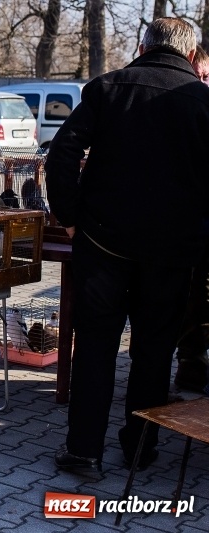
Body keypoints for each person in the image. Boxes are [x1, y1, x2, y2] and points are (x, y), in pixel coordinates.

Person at [45, 17, 209, 472]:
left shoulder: (108, 87)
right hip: (172, 250)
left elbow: (61, 154)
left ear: (142, 48)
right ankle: (140, 449)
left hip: (104, 242)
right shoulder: (202, 100)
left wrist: (70, 218)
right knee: (154, 352)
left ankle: (84, 451)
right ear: (191, 55)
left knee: (95, 346)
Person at [173, 44, 209, 394]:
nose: (204, 81)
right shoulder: (191, 102)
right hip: (188, 225)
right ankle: (190, 365)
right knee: (191, 299)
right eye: (202, 75)